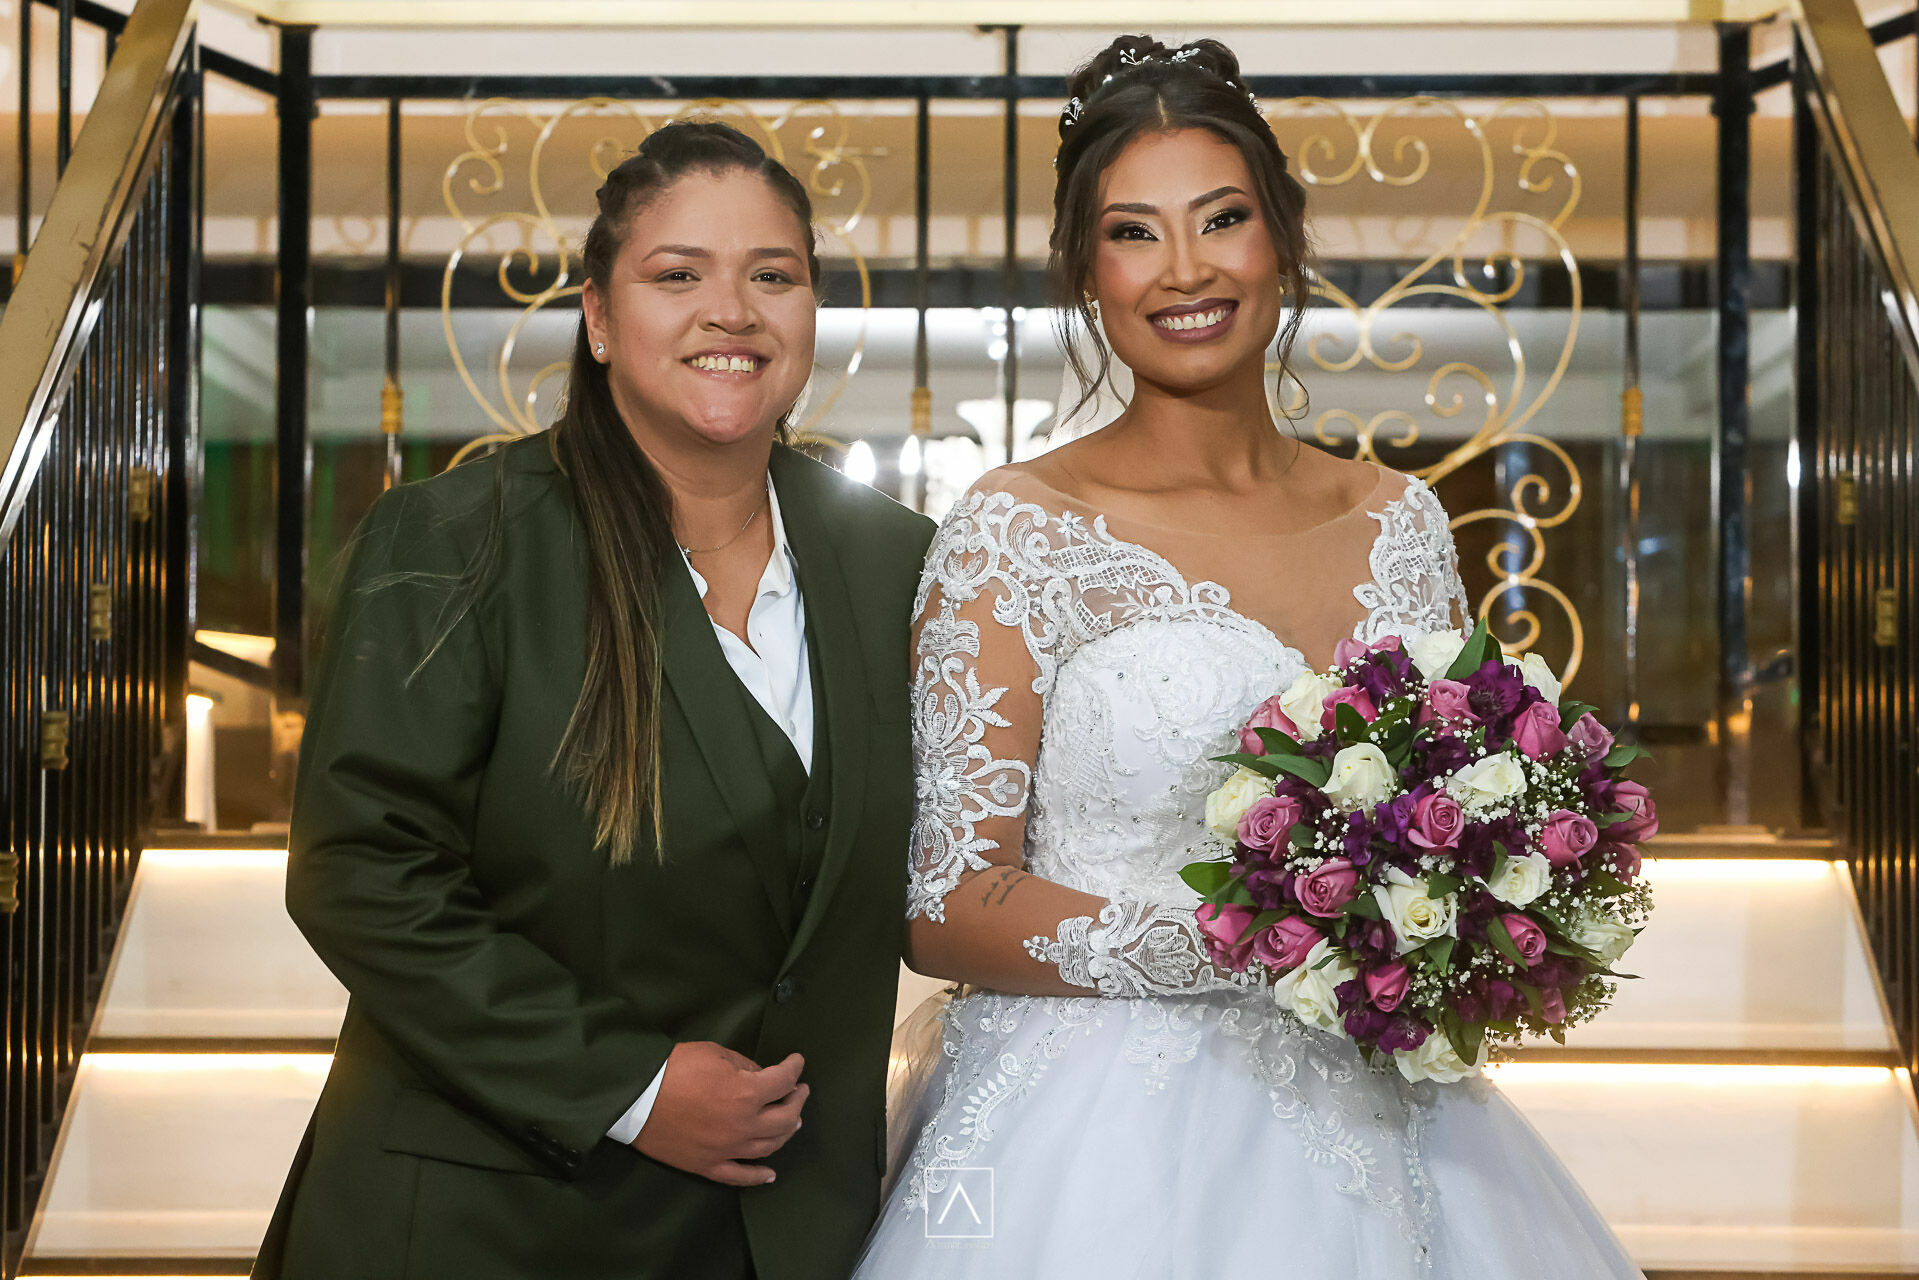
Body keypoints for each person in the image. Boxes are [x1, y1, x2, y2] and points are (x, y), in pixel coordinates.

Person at [855, 37, 1643, 1279]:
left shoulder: (1402, 522)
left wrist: (1473, 915)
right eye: (1132, 232)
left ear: (1279, 235)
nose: (1183, 269)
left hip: (1382, 1121)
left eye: (1220, 218)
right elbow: (949, 905)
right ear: (1086, 272)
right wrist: (1271, 940)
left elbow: (1453, 791)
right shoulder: (1014, 530)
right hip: (1090, 1142)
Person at [253, 121, 934, 1280]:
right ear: (601, 318)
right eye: (678, 275)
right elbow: (362, 871)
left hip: (774, 1234)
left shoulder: (899, 563)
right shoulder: (459, 540)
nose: (732, 310)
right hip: (481, 1222)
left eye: (772, 275)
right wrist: (626, 1084)